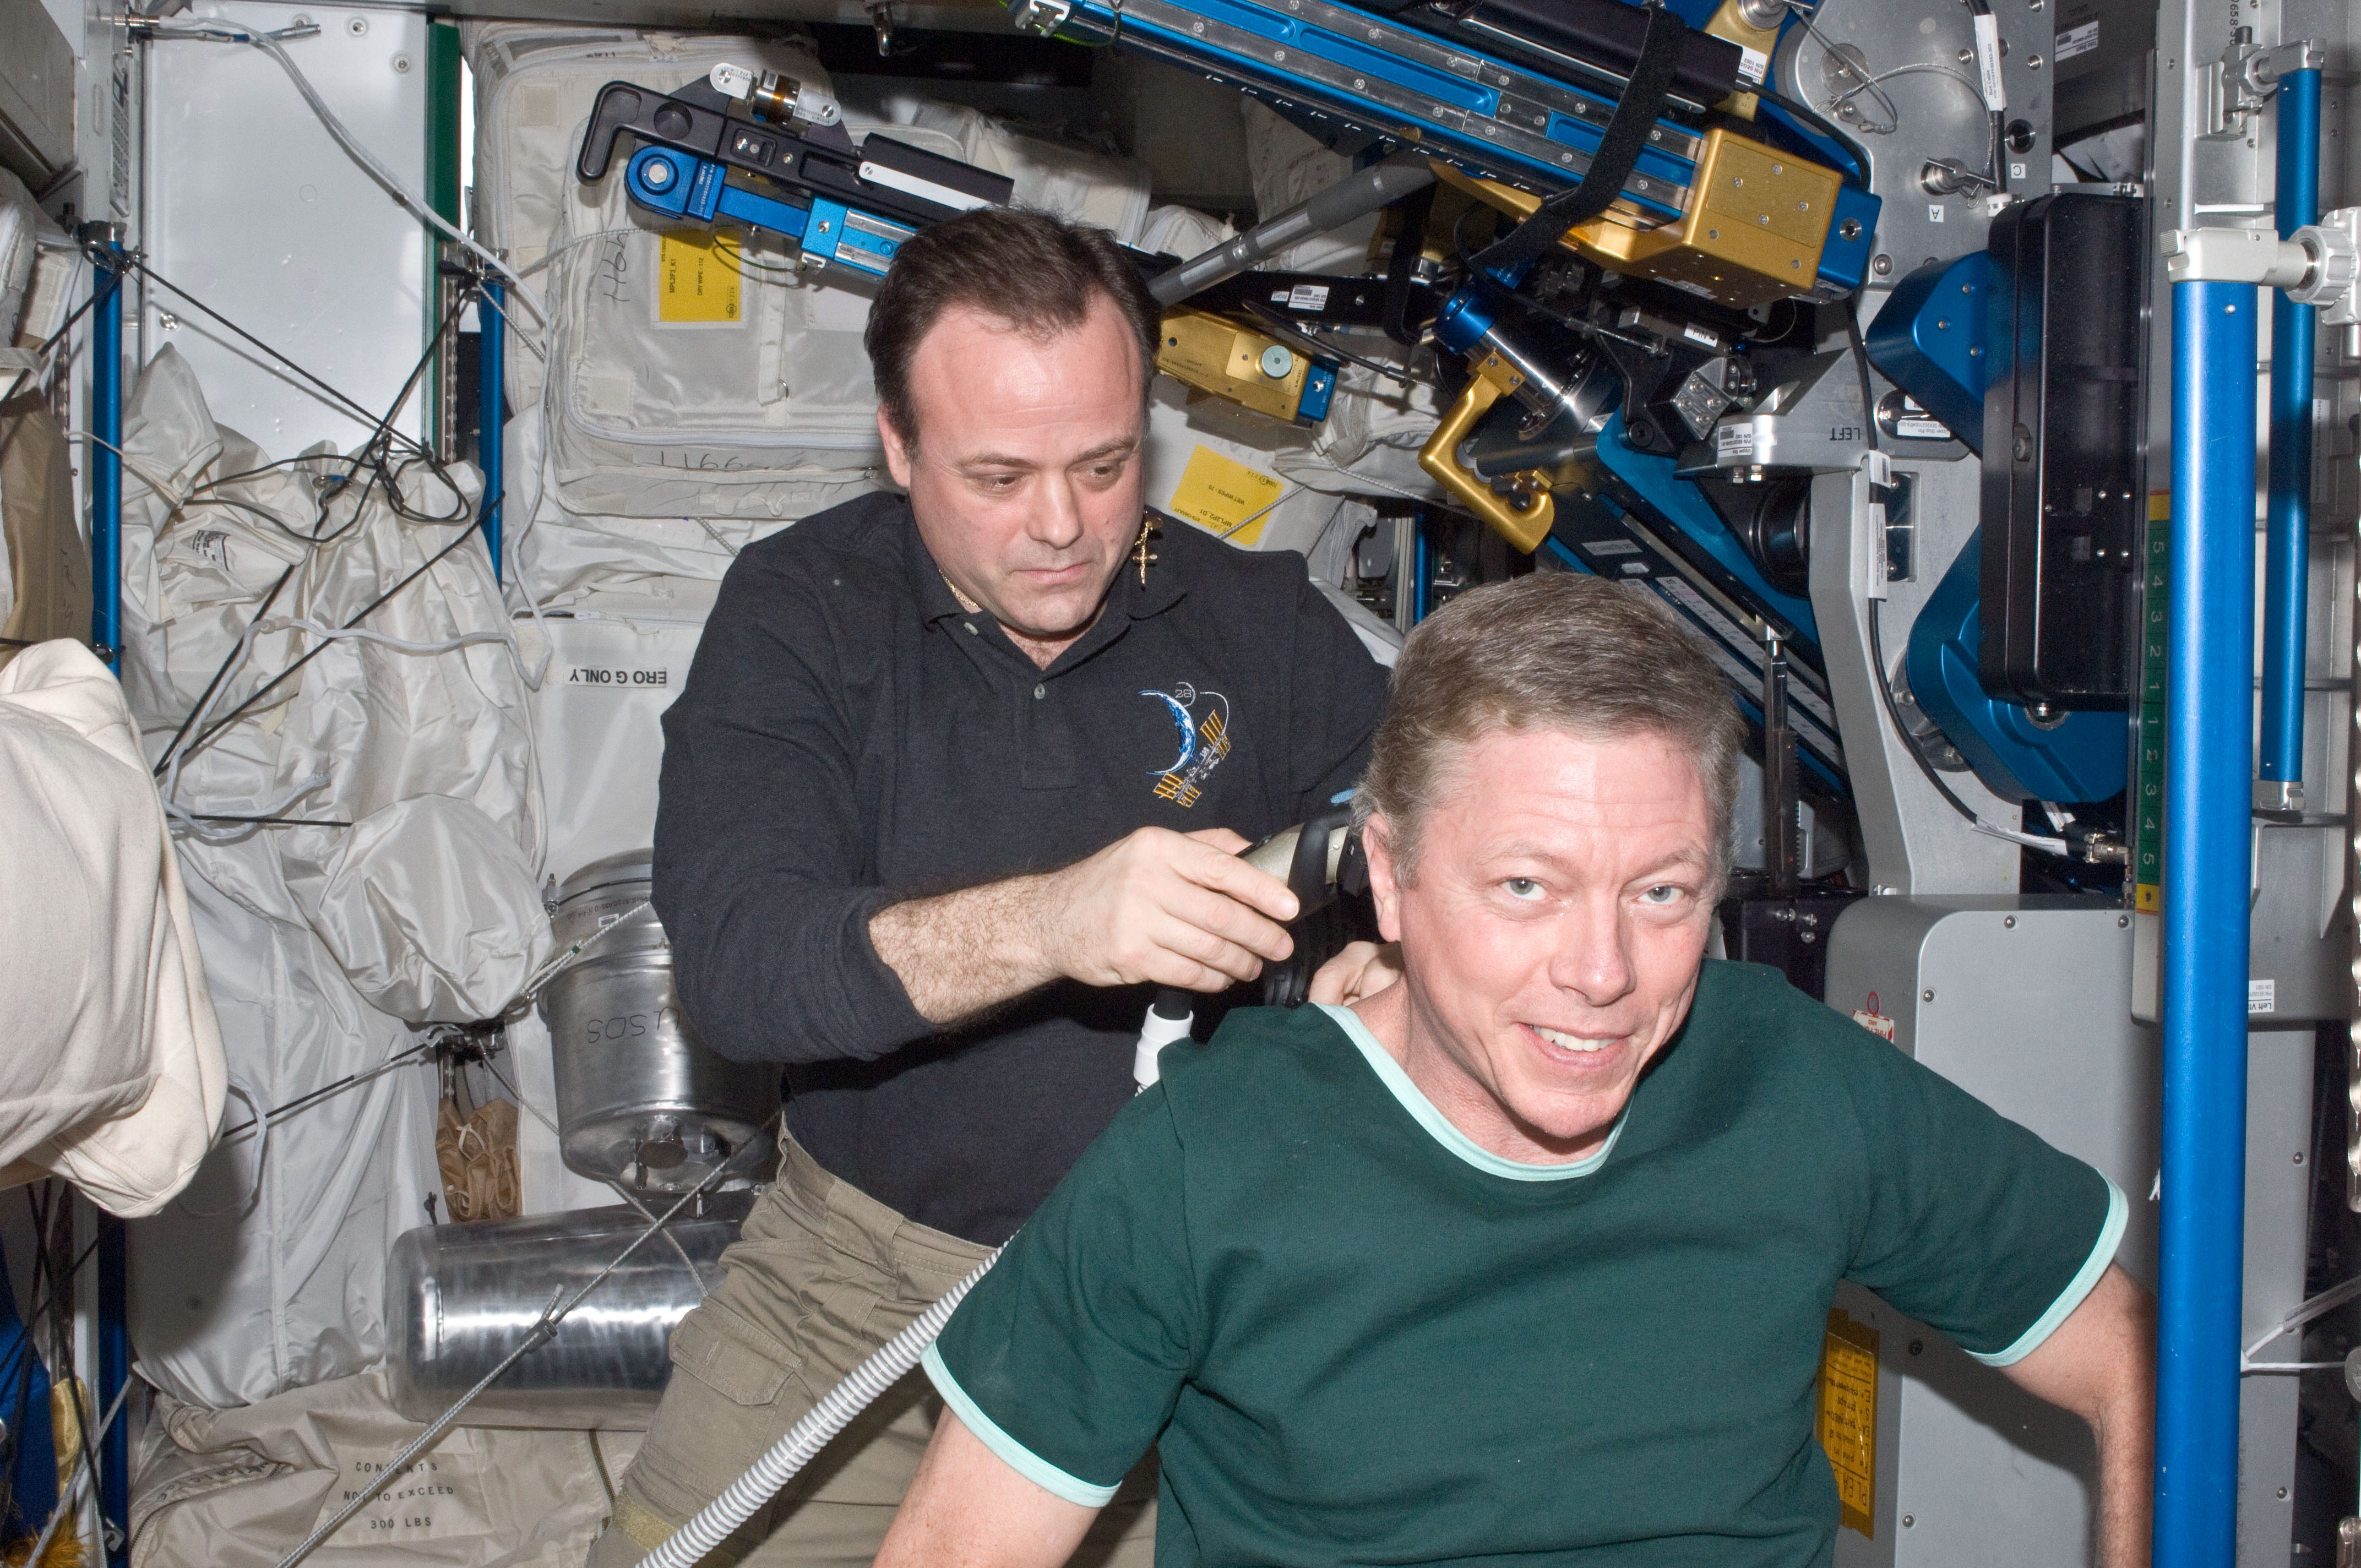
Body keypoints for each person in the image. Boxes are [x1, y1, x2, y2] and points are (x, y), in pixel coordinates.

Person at [875, 573, 2155, 1568]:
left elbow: (2121, 1345)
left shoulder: (1790, 1076)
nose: (1600, 972)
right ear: (1388, 876)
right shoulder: (1202, 1162)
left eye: (1660, 892)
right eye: (1526, 886)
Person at [584, 208, 1391, 1567]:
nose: (1062, 526)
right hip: (852, 1286)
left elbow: (1415, 843)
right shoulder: (802, 609)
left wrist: (1380, 962)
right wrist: (1056, 920)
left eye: (1103, 464)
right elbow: (740, 963)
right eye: (999, 476)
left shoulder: (1256, 620)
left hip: (1186, 1308)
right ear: (899, 446)